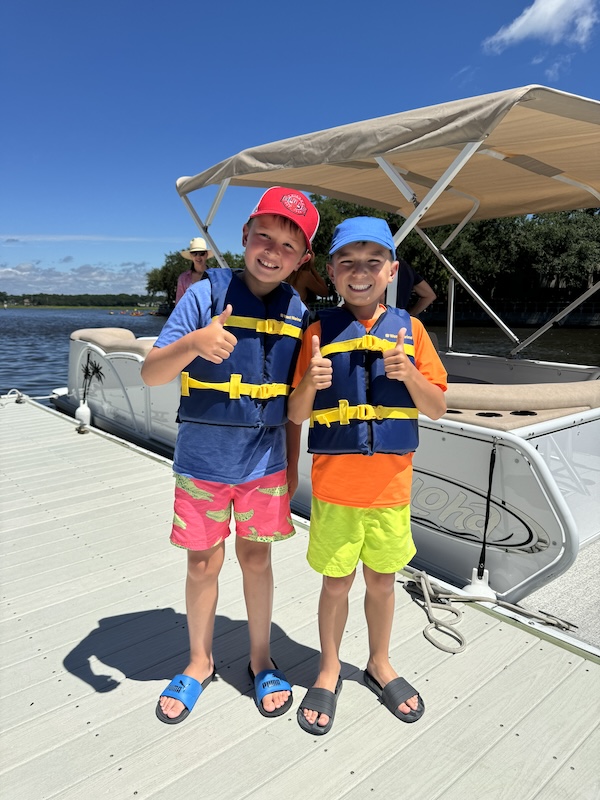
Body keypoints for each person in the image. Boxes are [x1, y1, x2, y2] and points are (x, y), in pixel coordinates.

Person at [141, 187, 320, 724]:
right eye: (264, 236)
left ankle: (261, 659)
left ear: (303, 258)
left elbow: (292, 408)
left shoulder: (299, 313)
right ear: (244, 236)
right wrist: (194, 343)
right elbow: (152, 373)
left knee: (257, 560)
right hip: (202, 466)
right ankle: (200, 661)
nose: (273, 250)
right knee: (202, 563)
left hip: (265, 468)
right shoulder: (203, 296)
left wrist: (290, 471)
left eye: (289, 244)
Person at [288, 216, 447, 736]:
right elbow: (295, 413)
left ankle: (380, 662)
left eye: (372, 262)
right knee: (336, 585)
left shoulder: (413, 330)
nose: (360, 273)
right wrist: (310, 383)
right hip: (335, 491)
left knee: (382, 581)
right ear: (330, 271)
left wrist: (410, 376)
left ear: (391, 270)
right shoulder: (316, 333)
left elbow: (438, 407)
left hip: (390, 492)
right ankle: (329, 667)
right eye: (347, 263)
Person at [175, 237, 213, 303]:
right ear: (191, 256)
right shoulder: (183, 278)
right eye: (194, 253)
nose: (198, 257)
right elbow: (179, 304)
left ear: (206, 254)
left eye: (201, 253)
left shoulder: (214, 276)